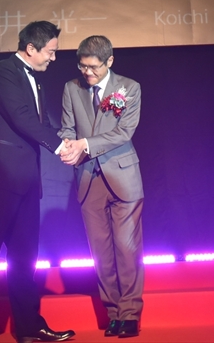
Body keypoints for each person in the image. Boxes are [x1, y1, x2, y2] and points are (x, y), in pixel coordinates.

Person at [0, 21, 75, 343]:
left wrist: (70, 141)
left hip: (27, 180)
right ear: (31, 48)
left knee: (24, 258)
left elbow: (38, 124)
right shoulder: (3, 71)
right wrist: (61, 147)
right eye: (50, 51)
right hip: (1, 180)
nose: (53, 58)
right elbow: (22, 117)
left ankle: (29, 328)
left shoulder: (35, 80)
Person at [58, 36, 144, 338]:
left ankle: (130, 314)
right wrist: (67, 146)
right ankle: (113, 313)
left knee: (127, 249)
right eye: (82, 67)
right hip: (88, 178)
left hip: (123, 178)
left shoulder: (129, 88)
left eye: (93, 67)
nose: (87, 73)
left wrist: (84, 143)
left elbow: (124, 132)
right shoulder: (72, 88)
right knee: (101, 254)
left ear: (109, 61)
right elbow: (67, 127)